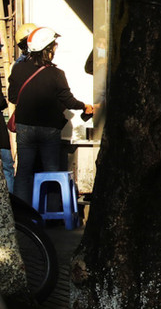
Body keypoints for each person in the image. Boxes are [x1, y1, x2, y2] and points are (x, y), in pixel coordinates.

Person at [8, 26, 96, 204]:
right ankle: (54, 214)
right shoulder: (57, 74)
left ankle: (22, 216)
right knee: (51, 171)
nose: (56, 47)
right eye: (54, 45)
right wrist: (85, 107)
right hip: (49, 129)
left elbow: (12, 97)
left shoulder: (18, 69)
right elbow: (69, 101)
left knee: (23, 172)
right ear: (47, 49)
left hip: (24, 128)